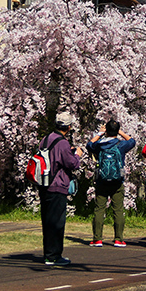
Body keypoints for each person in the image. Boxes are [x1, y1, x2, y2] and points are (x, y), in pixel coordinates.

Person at [37, 111, 82, 267]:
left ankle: (48, 253)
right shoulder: (62, 143)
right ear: (68, 127)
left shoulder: (45, 139)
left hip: (44, 184)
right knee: (57, 222)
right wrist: (77, 155)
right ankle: (54, 255)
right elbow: (71, 163)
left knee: (47, 221)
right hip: (57, 185)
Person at [86, 119, 136, 248]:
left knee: (99, 209)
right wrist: (120, 132)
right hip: (117, 181)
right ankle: (118, 239)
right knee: (118, 210)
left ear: (106, 130)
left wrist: (100, 133)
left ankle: (97, 239)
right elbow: (132, 141)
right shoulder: (121, 145)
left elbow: (88, 145)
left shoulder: (99, 145)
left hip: (102, 180)